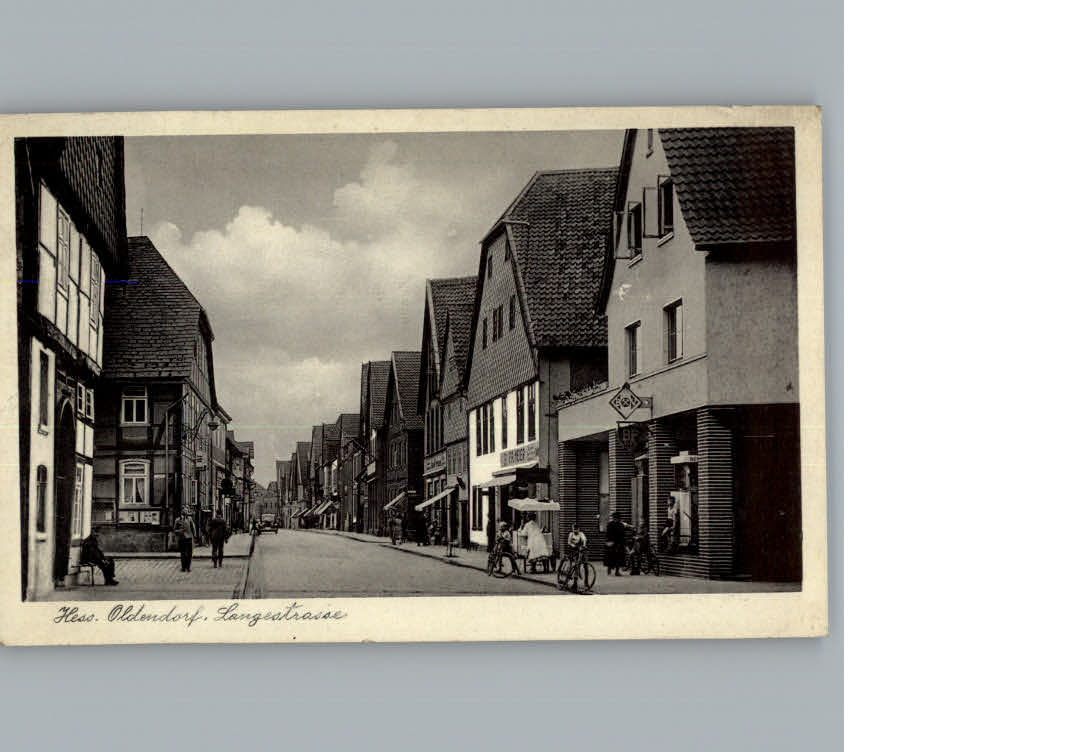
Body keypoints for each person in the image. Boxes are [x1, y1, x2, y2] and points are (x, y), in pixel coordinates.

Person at [605, 511, 628, 576]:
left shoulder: (611, 524)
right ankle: (614, 570)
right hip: (616, 543)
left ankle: (612, 569)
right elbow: (623, 534)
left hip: (614, 543)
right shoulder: (620, 525)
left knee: (614, 557)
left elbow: (607, 534)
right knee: (617, 557)